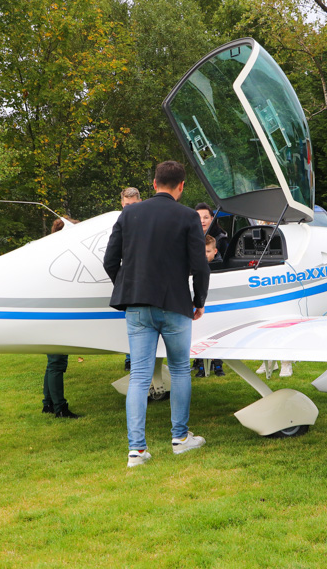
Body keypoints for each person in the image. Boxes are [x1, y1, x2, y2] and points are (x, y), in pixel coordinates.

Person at [104, 161, 210, 468]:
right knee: (179, 369)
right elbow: (200, 264)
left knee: (139, 376)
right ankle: (180, 439)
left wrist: (129, 286)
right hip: (175, 304)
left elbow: (111, 260)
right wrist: (199, 300)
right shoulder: (188, 216)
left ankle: (136, 451)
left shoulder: (130, 213)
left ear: (153, 184)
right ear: (181, 186)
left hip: (137, 304)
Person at [43, 217, 80, 419]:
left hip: (50, 314)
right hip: (56, 315)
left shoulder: (50, 254)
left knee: (53, 362)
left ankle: (48, 403)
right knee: (57, 362)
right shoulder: (61, 258)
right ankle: (60, 408)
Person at [192, 235, 225, 377]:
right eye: (201, 251)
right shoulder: (194, 266)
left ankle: (218, 366)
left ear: (215, 251)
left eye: (207, 251)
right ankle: (200, 366)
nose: (204, 255)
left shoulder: (221, 266)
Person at [120, 187, 142, 372]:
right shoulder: (118, 223)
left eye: (133, 205)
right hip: (126, 281)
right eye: (127, 205)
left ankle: (136, 359)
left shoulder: (147, 222)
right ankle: (130, 357)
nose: (130, 208)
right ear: (122, 204)